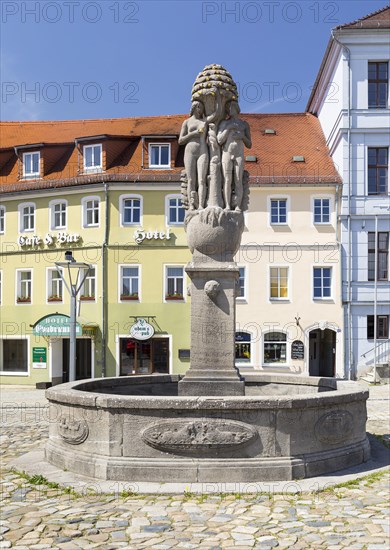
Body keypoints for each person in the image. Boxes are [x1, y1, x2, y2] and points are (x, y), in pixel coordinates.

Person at [217, 101, 252, 211]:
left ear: (236, 108)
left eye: (230, 107)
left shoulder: (244, 124)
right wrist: (228, 129)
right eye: (227, 108)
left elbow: (249, 144)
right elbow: (219, 140)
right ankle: (227, 205)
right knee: (227, 180)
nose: (229, 110)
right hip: (227, 153)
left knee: (238, 180)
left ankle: (237, 206)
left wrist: (242, 136)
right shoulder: (224, 123)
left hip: (239, 154)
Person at [178, 101, 209, 209]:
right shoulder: (187, 122)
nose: (200, 109)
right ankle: (191, 204)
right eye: (198, 107)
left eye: (202, 107)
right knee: (191, 179)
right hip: (190, 150)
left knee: (202, 179)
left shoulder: (205, 121)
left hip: (202, 150)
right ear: (194, 108)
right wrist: (192, 134)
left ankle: (201, 205)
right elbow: (180, 140)